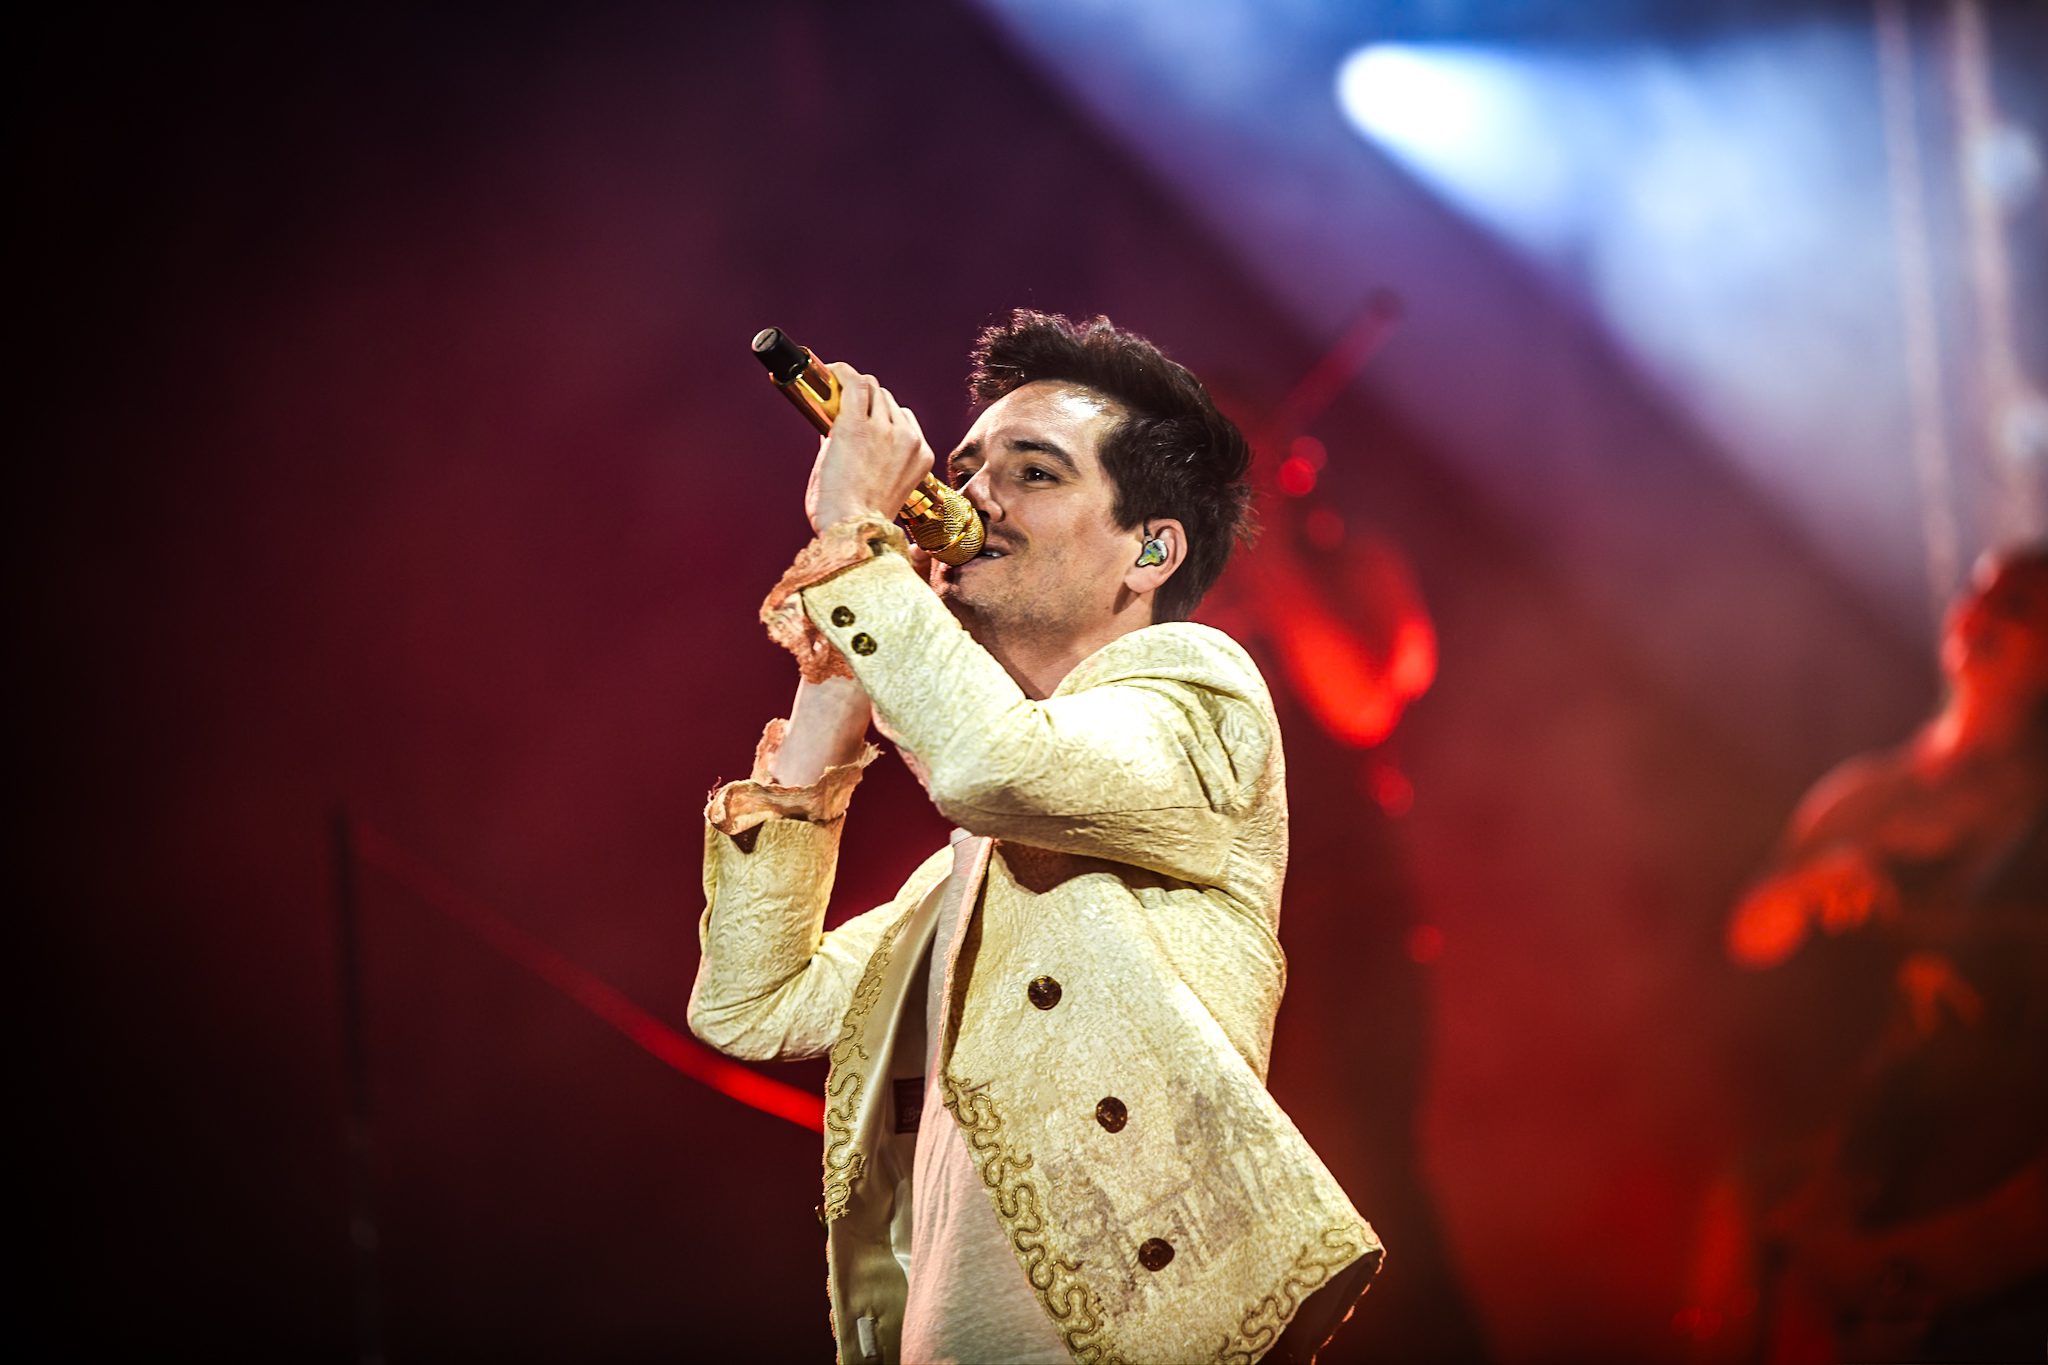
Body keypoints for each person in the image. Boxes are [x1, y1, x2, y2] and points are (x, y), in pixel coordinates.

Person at [688, 311, 1382, 1364]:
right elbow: (750, 1004)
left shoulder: (1204, 698)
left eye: (1035, 472)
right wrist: (834, 680)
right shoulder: (973, 874)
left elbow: (987, 762)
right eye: (965, 469)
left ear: (1150, 550)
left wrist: (854, 542)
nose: (972, 498)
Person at [1706, 546, 2048, 1363]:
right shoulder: (1867, 792)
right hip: (1846, 1152)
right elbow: (1748, 934)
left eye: (2019, 607)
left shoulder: (2035, 811)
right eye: (1980, 593)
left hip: (1968, 1158)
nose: (1984, 615)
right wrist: (1808, 887)